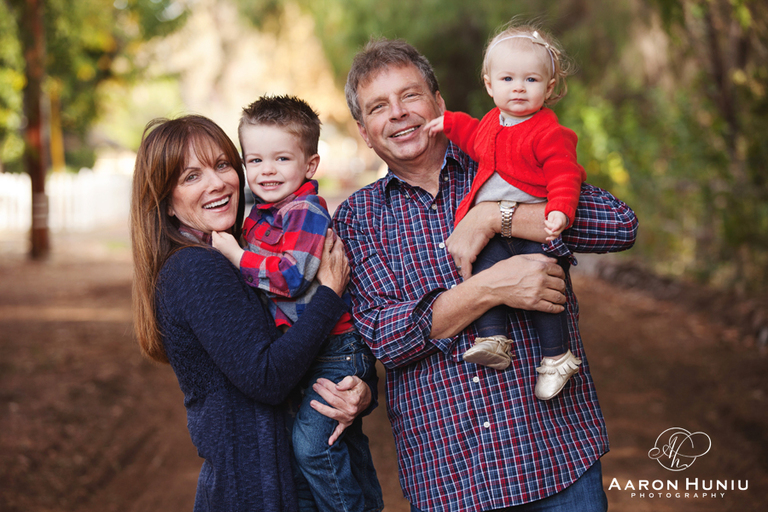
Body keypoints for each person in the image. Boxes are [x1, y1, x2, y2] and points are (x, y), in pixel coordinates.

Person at [334, 38, 638, 511]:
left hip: (555, 458)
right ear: (365, 132)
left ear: (439, 103)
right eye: (379, 107)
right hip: (451, 479)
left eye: (410, 96)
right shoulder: (357, 219)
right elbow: (385, 339)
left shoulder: (510, 157)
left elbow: (619, 224)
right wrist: (491, 287)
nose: (398, 113)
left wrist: (499, 214)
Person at [130, 114, 373, 512]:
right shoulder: (196, 269)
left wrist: (356, 390)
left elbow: (300, 352)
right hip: (255, 492)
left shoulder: (240, 253)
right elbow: (268, 377)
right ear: (165, 202)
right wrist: (329, 294)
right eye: (191, 176)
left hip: (279, 483)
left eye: (223, 164)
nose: (217, 183)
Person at [212, 95, 383, 512]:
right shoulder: (260, 215)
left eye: (281, 158)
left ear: (309, 165)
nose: (266, 171)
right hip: (306, 351)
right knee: (333, 439)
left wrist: (236, 256)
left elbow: (291, 276)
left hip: (335, 353)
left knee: (312, 447)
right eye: (255, 161)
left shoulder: (304, 210)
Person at [423, 22, 584, 400]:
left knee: (544, 288)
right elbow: (469, 132)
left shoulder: (548, 132)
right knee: (482, 270)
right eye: (508, 78)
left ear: (548, 87)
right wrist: (446, 122)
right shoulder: (491, 126)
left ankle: (556, 357)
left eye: (531, 80)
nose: (518, 87)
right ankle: (494, 339)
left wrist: (559, 210)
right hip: (496, 238)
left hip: (531, 232)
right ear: (489, 83)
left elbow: (564, 174)